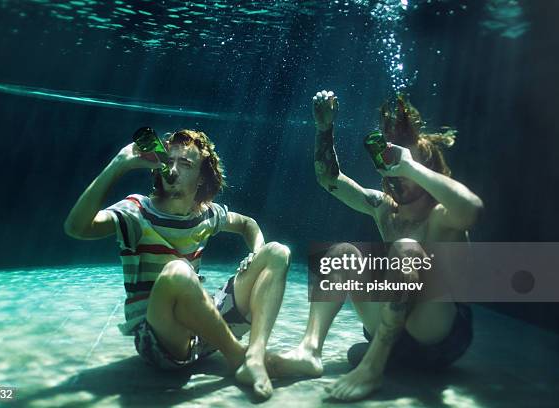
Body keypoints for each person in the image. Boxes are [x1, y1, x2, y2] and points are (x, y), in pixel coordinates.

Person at [271, 90, 483, 401]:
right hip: (392, 328)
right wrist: (324, 128)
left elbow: (473, 209)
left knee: (407, 249)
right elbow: (329, 180)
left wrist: (409, 166)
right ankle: (309, 350)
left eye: (406, 164)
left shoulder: (442, 216)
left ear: (424, 168)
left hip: (438, 332)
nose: (399, 174)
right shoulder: (384, 208)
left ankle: (373, 366)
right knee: (341, 254)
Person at [64, 129, 291, 400]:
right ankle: (237, 357)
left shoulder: (205, 213)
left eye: (185, 164)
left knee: (277, 252)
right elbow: (76, 228)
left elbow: (247, 225)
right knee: (178, 271)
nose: (173, 169)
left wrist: (254, 252)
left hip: (202, 329)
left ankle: (254, 355)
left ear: (202, 178)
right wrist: (119, 164)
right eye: (168, 161)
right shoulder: (137, 210)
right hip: (160, 340)